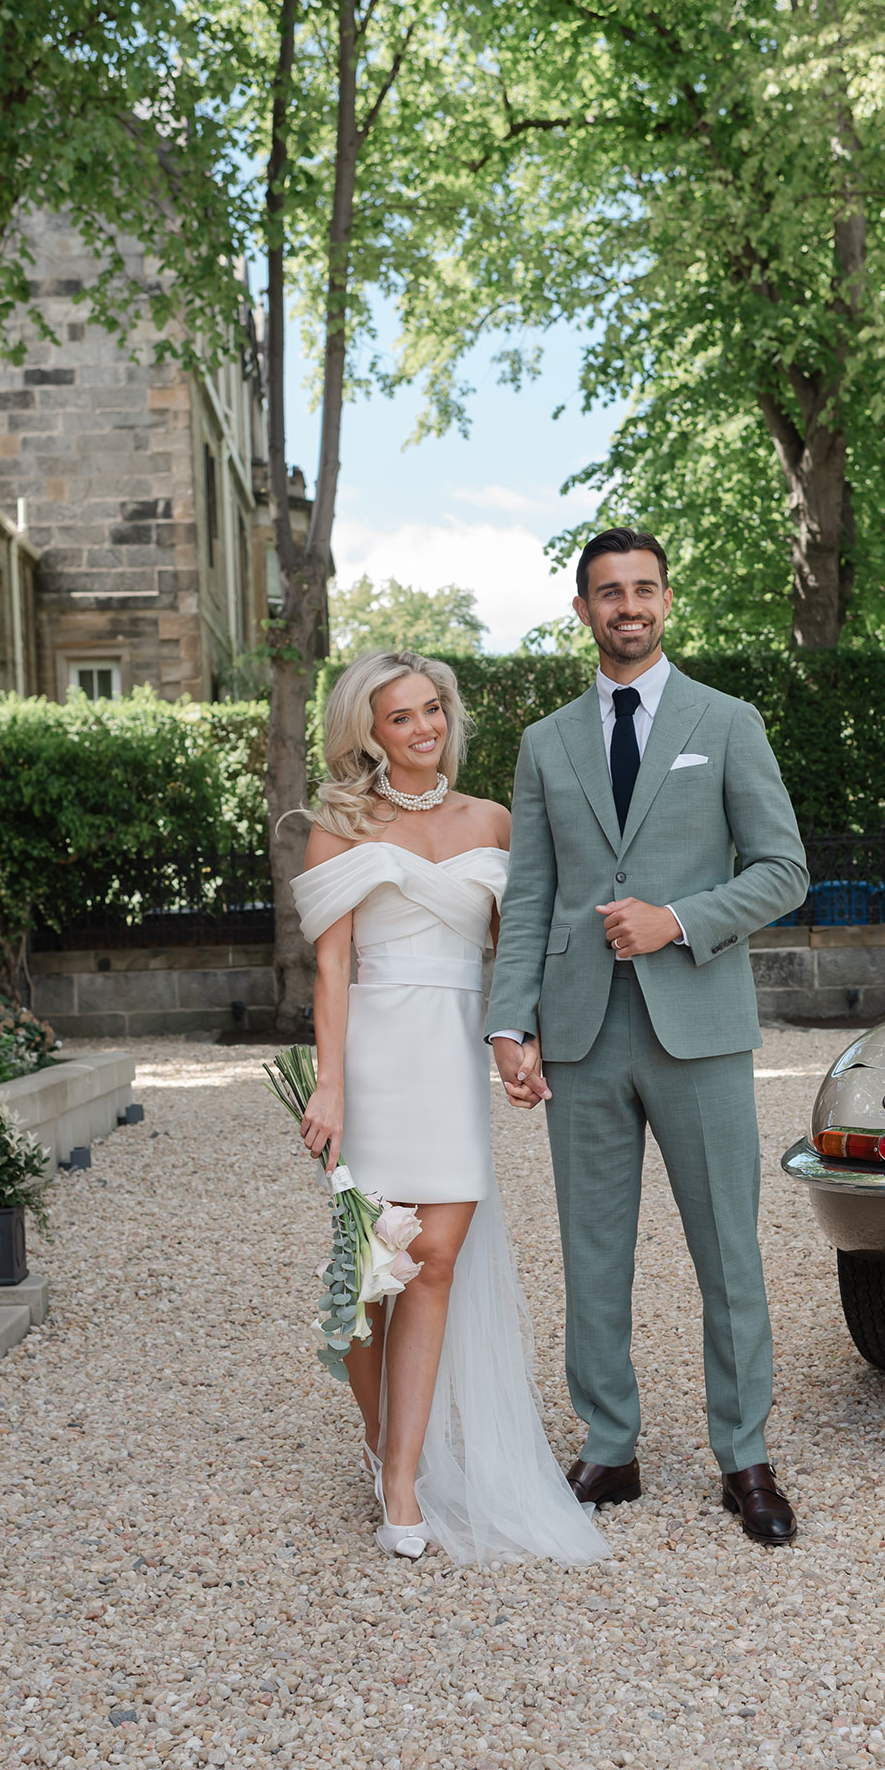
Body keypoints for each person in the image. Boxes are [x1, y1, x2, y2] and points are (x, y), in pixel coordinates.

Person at [486, 528, 809, 1546]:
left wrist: (679, 919)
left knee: (729, 1251)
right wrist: (508, 1019)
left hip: (699, 1026)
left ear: (667, 601)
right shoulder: (546, 744)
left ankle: (744, 1455)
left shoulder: (729, 720)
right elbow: (529, 895)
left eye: (644, 589)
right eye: (607, 592)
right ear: (581, 610)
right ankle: (610, 1444)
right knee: (591, 1251)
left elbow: (782, 869)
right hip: (582, 1033)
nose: (628, 606)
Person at [290, 648, 606, 1567]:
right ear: (368, 732)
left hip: (456, 1056)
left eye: (433, 710)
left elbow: (518, 956)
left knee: (433, 1263)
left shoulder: (495, 822)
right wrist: (331, 1082)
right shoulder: (339, 827)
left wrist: (524, 1041)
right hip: (377, 1056)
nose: (425, 728)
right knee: (367, 1272)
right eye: (401, 717)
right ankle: (379, 1437)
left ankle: (402, 1475)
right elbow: (334, 966)